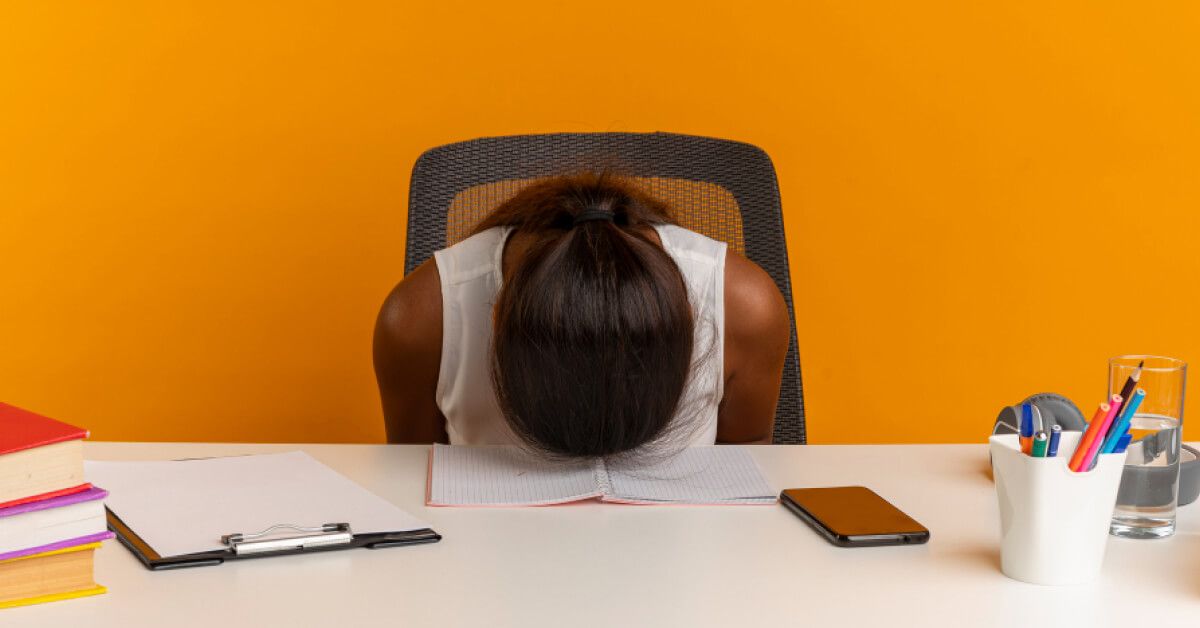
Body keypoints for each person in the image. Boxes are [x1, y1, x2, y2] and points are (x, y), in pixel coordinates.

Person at [374, 173, 789, 458]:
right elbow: (408, 487)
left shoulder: (742, 307)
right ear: (497, 320)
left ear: (691, 321)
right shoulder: (421, 320)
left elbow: (748, 464)